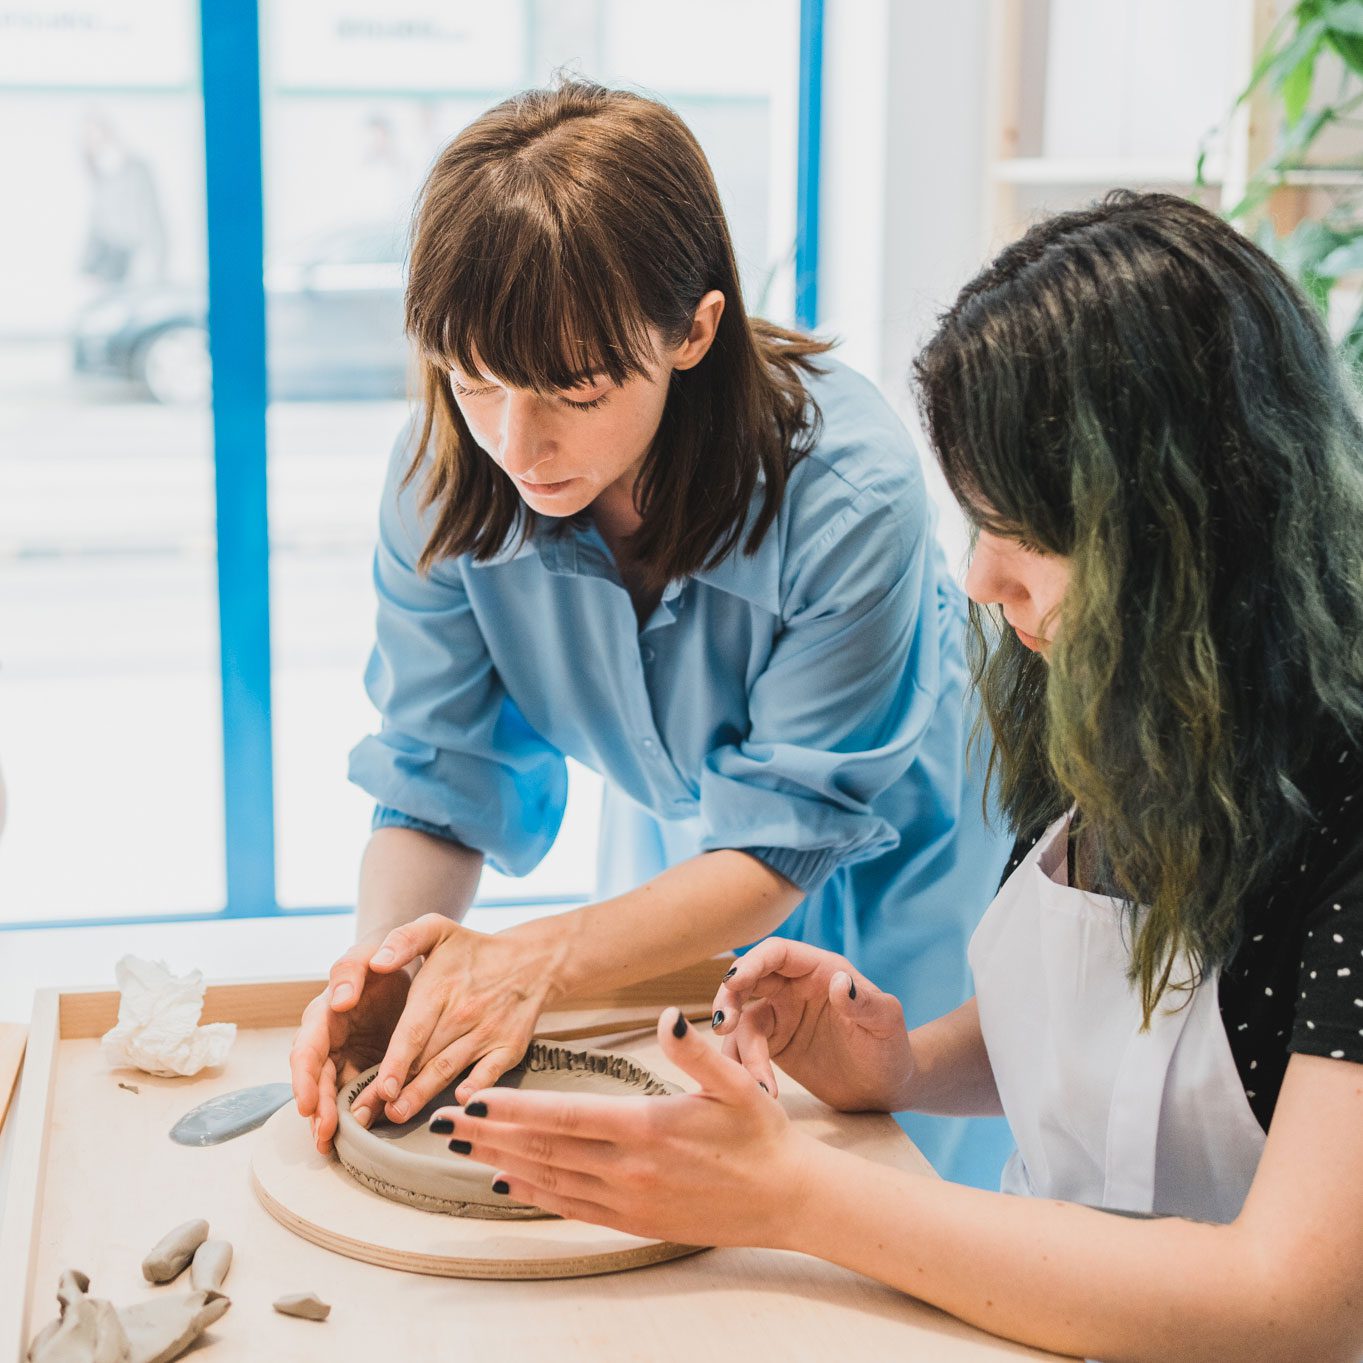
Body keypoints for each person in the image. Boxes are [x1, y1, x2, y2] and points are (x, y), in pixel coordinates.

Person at [429, 192, 1363, 1363]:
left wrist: (800, 1195)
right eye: (973, 517)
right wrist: (908, 1062)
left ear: (1192, 528)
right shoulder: (1119, 701)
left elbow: (1293, 1298)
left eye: (1025, 526)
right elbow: (1119, 1029)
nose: (977, 576)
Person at [289, 80, 1013, 1184]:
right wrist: (382, 969)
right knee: (687, 1139)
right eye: (475, 381)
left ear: (693, 330)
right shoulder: (441, 470)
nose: (517, 444)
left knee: (896, 1172)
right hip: (684, 833)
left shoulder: (845, 487)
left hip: (905, 842)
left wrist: (536, 956)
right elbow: (440, 773)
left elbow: (779, 839)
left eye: (573, 389)